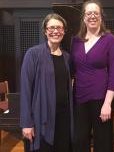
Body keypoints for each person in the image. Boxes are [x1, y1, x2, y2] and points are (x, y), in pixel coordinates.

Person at [71, 0, 114, 152]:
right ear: (83, 17)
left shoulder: (110, 39)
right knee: (79, 140)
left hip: (101, 99)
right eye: (89, 13)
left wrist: (108, 103)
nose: (92, 16)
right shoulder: (76, 40)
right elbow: (72, 69)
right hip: (79, 97)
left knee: (103, 141)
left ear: (101, 16)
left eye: (96, 13)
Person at [20, 13, 73, 152]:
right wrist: (26, 122)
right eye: (51, 28)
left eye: (59, 28)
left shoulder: (67, 57)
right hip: (41, 117)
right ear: (45, 31)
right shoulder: (33, 54)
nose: (56, 31)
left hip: (63, 117)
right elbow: (25, 90)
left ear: (64, 31)